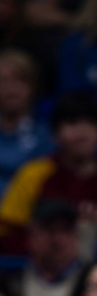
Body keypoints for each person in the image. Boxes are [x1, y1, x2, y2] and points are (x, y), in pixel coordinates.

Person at [0, 92, 97, 251]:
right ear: (55, 134)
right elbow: (7, 232)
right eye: (72, 122)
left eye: (91, 123)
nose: (82, 133)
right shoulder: (34, 174)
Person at [16, 199, 84, 296]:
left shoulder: (90, 282)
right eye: (50, 230)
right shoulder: (12, 283)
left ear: (76, 236)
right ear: (32, 235)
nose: (58, 239)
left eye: (66, 230)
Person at [0, 49, 51, 193]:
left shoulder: (46, 135)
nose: (12, 88)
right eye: (4, 81)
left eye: (20, 80)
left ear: (33, 87)